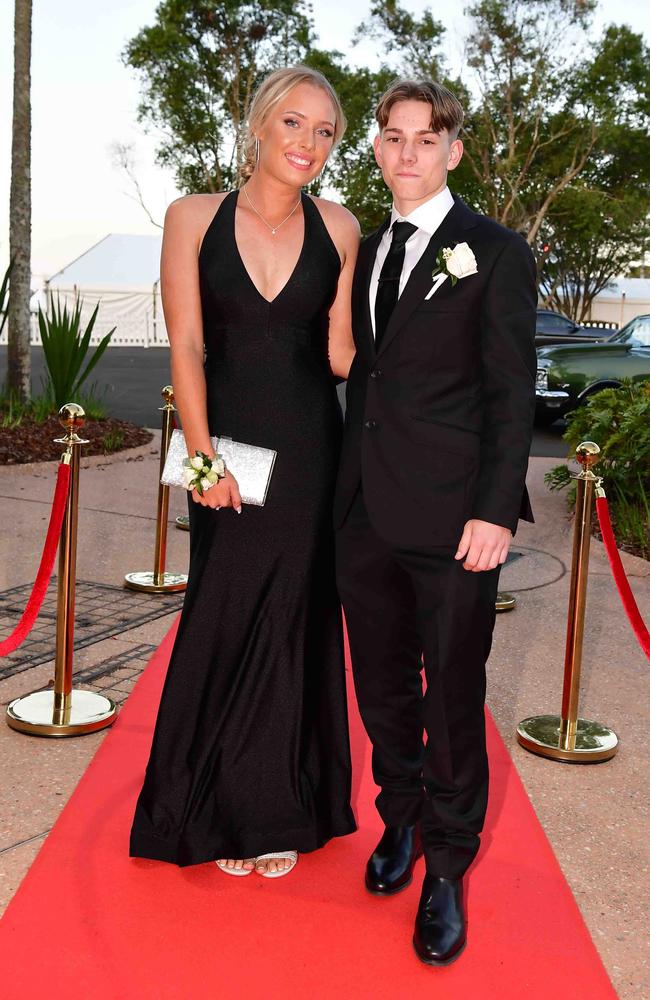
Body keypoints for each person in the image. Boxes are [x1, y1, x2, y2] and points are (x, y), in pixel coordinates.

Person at [130, 66, 360, 878]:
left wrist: (434, 358)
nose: (308, 144)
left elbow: (339, 354)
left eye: (325, 132)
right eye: (294, 124)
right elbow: (186, 345)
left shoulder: (341, 226)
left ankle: (277, 809)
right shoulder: (191, 216)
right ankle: (202, 803)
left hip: (309, 450)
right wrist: (200, 458)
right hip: (226, 447)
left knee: (295, 619)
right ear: (261, 125)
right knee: (223, 612)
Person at [334, 79, 536, 963]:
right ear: (376, 149)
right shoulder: (369, 249)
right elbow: (361, 377)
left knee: (451, 701)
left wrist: (496, 510)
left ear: (454, 151)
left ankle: (448, 870)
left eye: (427, 138)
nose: (408, 152)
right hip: (366, 513)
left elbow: (509, 390)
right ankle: (402, 821)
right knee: (381, 690)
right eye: (393, 136)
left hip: (458, 522)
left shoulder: (494, 250)